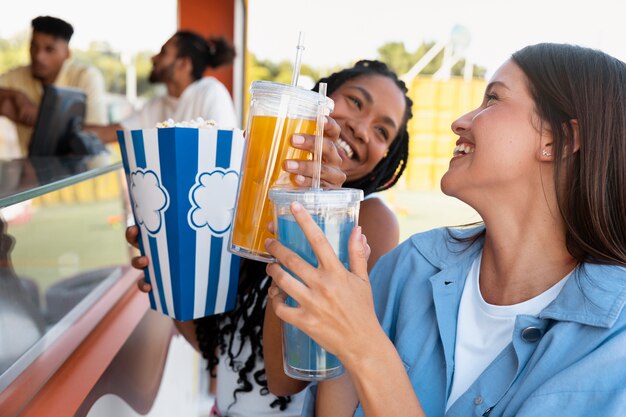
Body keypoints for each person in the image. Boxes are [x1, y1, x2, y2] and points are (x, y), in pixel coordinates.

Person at [263, 43, 626, 417]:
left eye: (493, 99)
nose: (461, 121)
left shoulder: (615, 343)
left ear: (556, 140)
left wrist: (366, 348)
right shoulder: (409, 267)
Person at [126, 60, 414, 416]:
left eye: (383, 132)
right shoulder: (249, 189)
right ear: (319, 99)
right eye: (355, 102)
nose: (362, 129)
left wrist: (311, 209)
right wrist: (169, 265)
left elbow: (285, 380)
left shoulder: (368, 219)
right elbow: (220, 349)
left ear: (386, 159)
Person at [87, 31, 237, 141]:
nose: (153, 58)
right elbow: (113, 132)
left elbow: (222, 149)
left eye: (163, 53)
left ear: (184, 64)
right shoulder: (157, 105)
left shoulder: (211, 92)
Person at [0, 16, 107, 156]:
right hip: (35, 172)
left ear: (67, 54)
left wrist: (39, 120)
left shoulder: (86, 77)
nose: (38, 56)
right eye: (34, 46)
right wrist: (16, 96)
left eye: (49, 49)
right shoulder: (18, 76)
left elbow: (96, 133)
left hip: (85, 171)